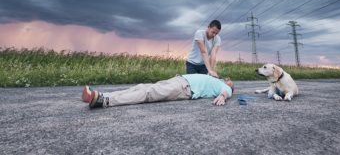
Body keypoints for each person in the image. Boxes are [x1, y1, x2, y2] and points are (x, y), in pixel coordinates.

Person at [82, 74, 234, 109]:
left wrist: (222, 96)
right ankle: (98, 96)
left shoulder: (226, 87)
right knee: (141, 87)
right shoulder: (216, 78)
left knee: (149, 93)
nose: (228, 80)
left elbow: (225, 92)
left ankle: (104, 101)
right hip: (179, 79)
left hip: (184, 89)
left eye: (230, 81)